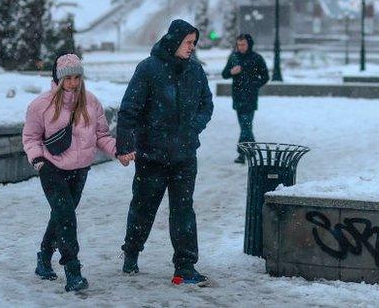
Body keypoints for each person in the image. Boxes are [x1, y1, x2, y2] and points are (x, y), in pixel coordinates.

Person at [116, 19, 214, 286]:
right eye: (188, 42)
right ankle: (132, 251)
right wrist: (125, 145)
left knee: (183, 211)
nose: (192, 47)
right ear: (174, 41)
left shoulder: (195, 70)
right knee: (143, 208)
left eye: (194, 43)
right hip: (152, 157)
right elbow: (129, 110)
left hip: (184, 157)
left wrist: (193, 129)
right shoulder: (148, 69)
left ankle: (185, 266)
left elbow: (207, 103)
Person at [22, 53, 123, 293]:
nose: (73, 83)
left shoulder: (91, 102)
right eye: (68, 78)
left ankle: (44, 257)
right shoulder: (40, 105)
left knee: (61, 215)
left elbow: (102, 136)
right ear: (58, 78)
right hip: (51, 168)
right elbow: (31, 138)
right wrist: (38, 161)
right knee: (66, 216)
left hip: (80, 170)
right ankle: (73, 270)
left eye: (78, 77)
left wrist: (118, 152)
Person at [221, 33, 269, 164]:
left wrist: (254, 85)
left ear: (249, 44)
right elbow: (224, 74)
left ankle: (242, 153)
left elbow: (265, 76)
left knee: (246, 126)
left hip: (250, 97)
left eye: (243, 44)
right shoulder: (234, 57)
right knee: (245, 127)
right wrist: (232, 72)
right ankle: (252, 149)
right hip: (237, 96)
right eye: (239, 44)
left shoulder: (256, 58)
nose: (240, 47)